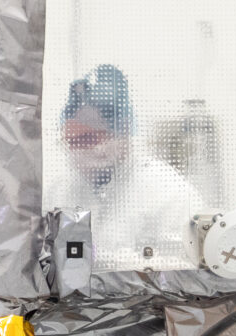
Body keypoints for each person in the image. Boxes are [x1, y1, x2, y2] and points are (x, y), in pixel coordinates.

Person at [60, 64, 208, 268]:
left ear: (127, 129)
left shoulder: (169, 192)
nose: (98, 148)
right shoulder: (61, 191)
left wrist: (119, 263)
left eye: (108, 134)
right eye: (82, 139)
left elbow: (191, 271)